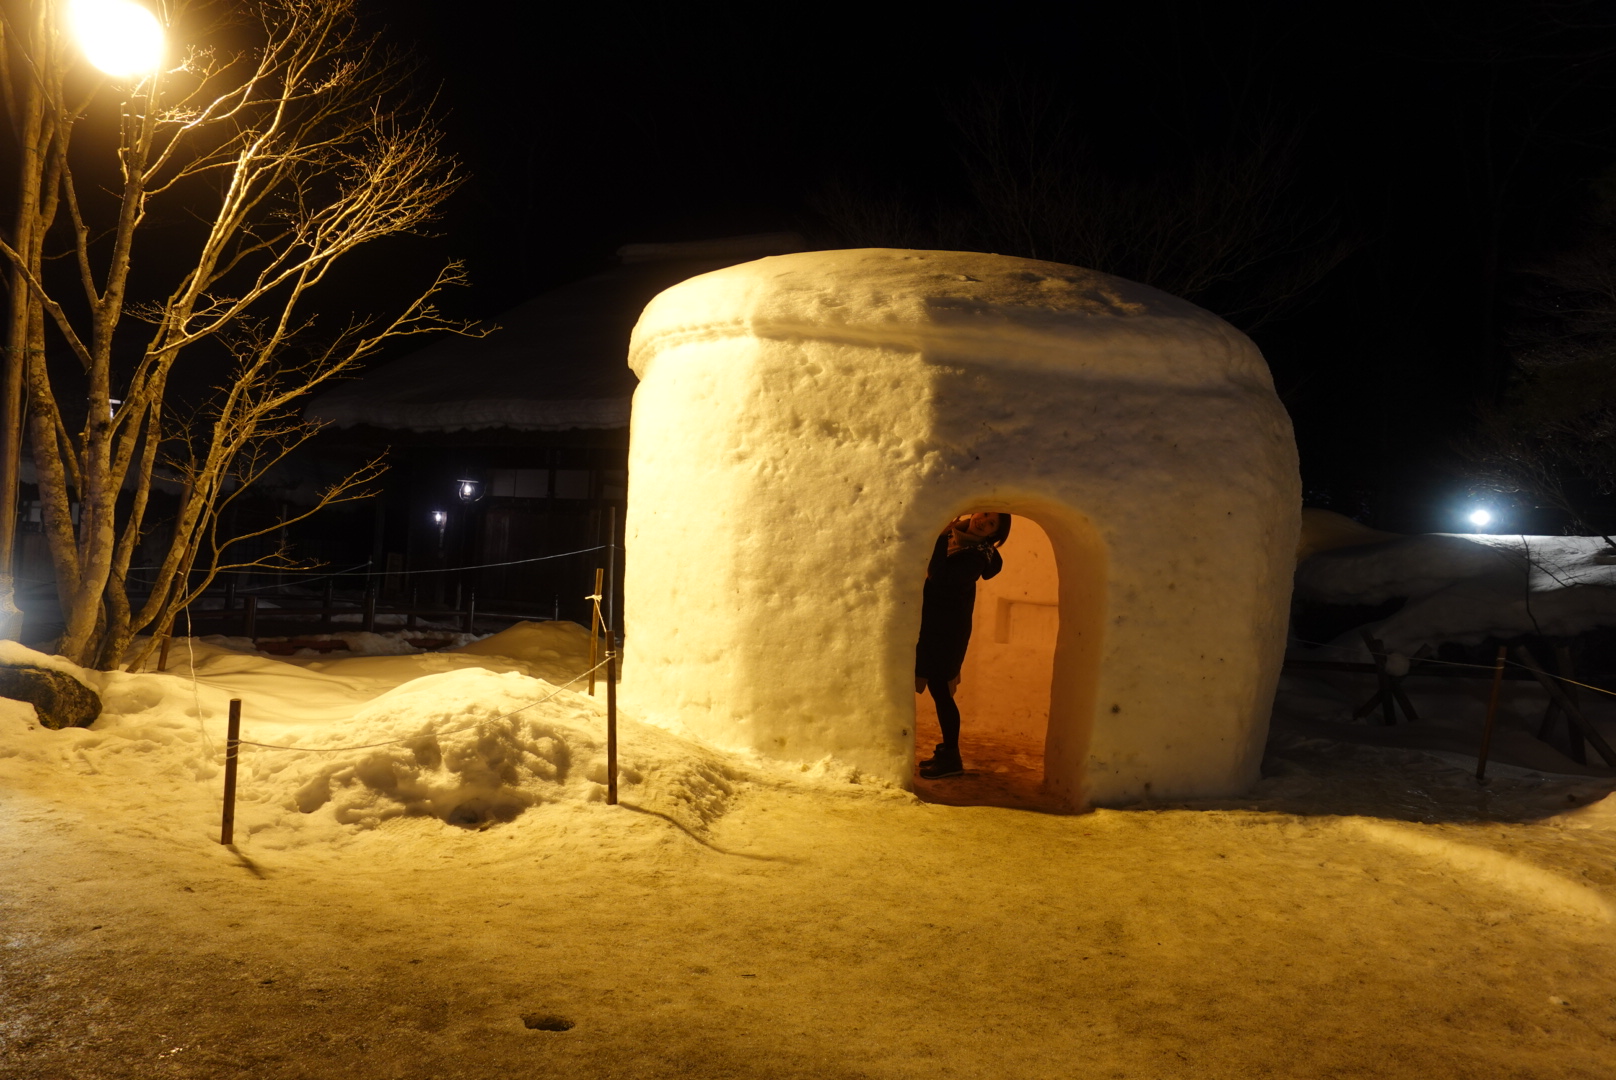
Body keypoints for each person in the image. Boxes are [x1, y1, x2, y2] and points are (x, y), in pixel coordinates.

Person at [914, 510, 1012, 779]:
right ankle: (947, 752)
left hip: (947, 632)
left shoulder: (976, 557)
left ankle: (951, 757)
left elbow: (938, 576)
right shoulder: (955, 536)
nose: (984, 522)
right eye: (986, 515)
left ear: (993, 534)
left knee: (941, 690)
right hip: (935, 626)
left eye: (991, 524)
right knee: (938, 689)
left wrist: (937, 534)